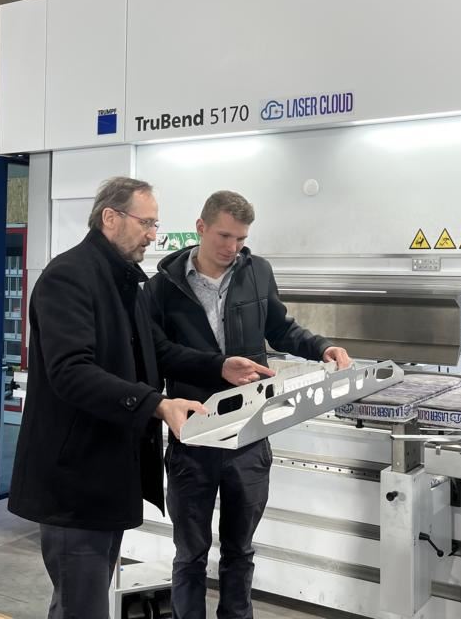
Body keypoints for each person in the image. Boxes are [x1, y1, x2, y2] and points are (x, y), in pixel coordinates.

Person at [9, 177, 249, 619]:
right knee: (82, 607)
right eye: (147, 223)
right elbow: (71, 372)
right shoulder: (68, 277)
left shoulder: (124, 282)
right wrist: (156, 404)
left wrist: (218, 366)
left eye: (155, 224)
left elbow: (157, 350)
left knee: (86, 602)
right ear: (110, 218)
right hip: (74, 481)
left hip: (107, 475)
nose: (153, 235)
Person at [146, 190, 351, 619]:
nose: (233, 247)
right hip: (193, 436)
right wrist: (212, 370)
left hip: (250, 434)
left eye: (241, 239)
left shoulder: (257, 272)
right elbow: (158, 354)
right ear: (200, 228)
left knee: (240, 550)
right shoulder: (162, 287)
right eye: (224, 236)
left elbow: (281, 329)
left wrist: (322, 347)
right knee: (190, 554)